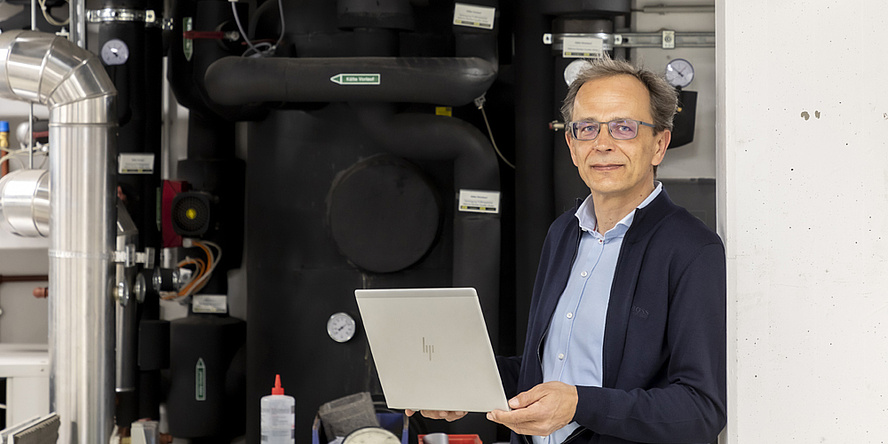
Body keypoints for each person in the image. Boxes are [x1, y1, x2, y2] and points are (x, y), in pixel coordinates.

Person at [409, 57, 726, 444]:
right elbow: (539, 373)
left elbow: (700, 410)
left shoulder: (692, 250)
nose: (603, 143)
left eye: (624, 127)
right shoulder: (563, 233)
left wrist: (579, 404)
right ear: (572, 146)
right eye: (587, 128)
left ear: (659, 144)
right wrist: (463, 383)